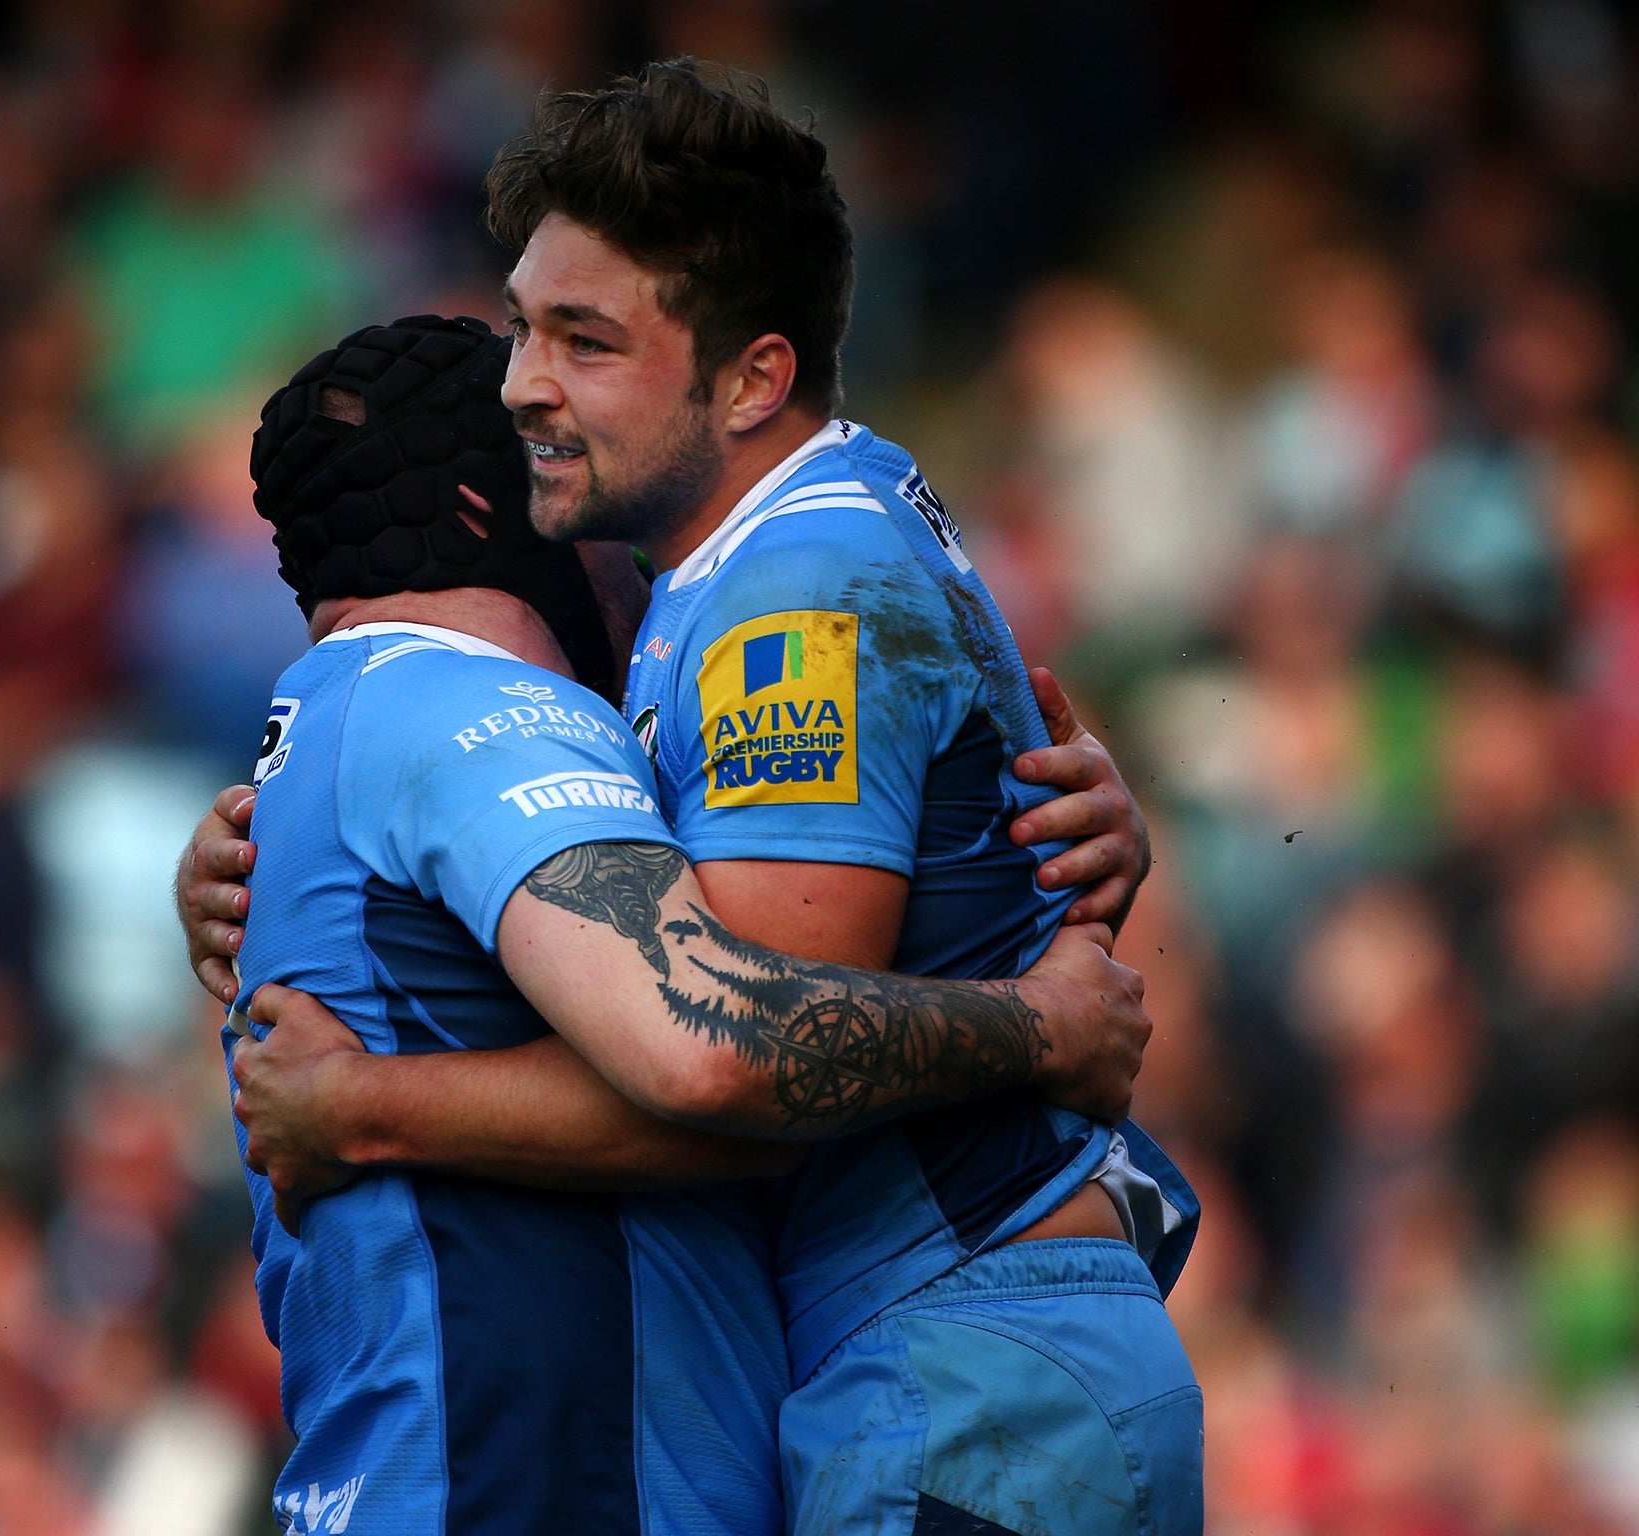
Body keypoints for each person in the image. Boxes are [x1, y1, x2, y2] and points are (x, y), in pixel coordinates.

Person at [189, 62, 1203, 1536]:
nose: (523, 384)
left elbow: (746, 1060)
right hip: (942, 1360)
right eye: (527, 325)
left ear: (752, 378)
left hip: (967, 1366)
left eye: (584, 343)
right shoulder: (734, 573)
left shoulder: (789, 594)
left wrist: (362, 1103)